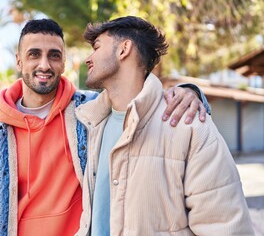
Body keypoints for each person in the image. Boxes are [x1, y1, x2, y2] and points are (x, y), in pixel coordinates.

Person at [0, 19, 209, 235]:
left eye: (54, 55)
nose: (45, 65)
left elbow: (143, 100)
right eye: (34, 54)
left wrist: (191, 92)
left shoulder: (92, 110)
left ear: (64, 62)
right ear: (18, 61)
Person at [75, 16, 254, 236]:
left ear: (124, 49)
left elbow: (226, 227)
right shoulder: (89, 123)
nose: (88, 58)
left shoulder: (189, 125)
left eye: (97, 47)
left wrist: (193, 92)